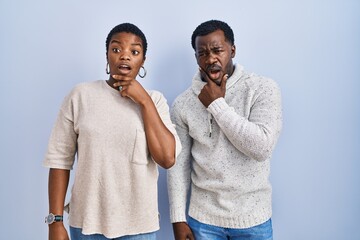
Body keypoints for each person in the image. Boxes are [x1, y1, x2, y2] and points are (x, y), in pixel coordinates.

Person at [43, 23, 181, 240]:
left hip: (139, 228)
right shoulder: (80, 95)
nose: (125, 57)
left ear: (143, 61)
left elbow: (167, 158)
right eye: (116, 49)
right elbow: (60, 161)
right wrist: (55, 222)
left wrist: (143, 101)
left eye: (134, 52)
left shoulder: (155, 101)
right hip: (86, 225)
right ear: (107, 55)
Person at [167, 20, 282, 240]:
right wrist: (177, 218)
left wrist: (216, 105)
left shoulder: (262, 89)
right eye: (202, 53)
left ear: (232, 50)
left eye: (217, 50)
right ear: (196, 58)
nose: (210, 59)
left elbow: (261, 148)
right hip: (203, 222)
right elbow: (177, 166)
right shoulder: (183, 104)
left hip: (253, 219)